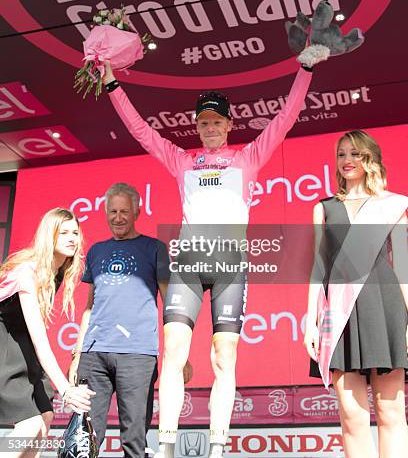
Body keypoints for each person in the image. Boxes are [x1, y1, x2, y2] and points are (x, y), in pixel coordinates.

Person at [101, 45, 330, 458]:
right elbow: (142, 131)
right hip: (187, 264)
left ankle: (218, 448)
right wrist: (113, 85)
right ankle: (166, 446)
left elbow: (285, 118)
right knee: (173, 352)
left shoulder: (247, 158)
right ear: (198, 126)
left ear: (227, 125)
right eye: (203, 121)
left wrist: (305, 69)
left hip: (229, 265)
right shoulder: (181, 159)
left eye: (216, 121)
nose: (209, 127)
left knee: (224, 357)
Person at [304, 130, 408, 458]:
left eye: (355, 154)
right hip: (340, 316)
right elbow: (318, 269)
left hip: (384, 305)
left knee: (391, 413)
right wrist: (311, 321)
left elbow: (403, 266)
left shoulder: (393, 205)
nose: (347, 160)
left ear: (369, 158)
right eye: (341, 154)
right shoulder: (324, 208)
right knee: (352, 417)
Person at [69, 182, 176, 458]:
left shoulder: (154, 248)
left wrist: (179, 355)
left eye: (124, 211)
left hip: (137, 355)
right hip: (94, 354)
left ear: (137, 212)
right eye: (113, 211)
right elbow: (90, 306)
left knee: (134, 438)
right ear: (105, 213)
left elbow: (170, 305)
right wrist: (78, 354)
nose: (118, 217)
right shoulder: (95, 251)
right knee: (85, 435)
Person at [0, 207, 94, 457]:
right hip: (5, 346)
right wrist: (66, 390)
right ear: (48, 237)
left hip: (21, 344)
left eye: (75, 232)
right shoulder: (26, 272)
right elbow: (40, 340)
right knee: (30, 425)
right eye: (63, 233)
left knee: (45, 419)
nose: (72, 238)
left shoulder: (57, 270)